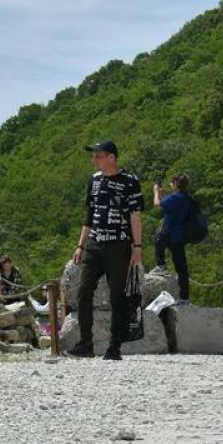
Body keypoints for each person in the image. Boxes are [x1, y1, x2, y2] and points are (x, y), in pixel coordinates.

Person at [67, 140, 144, 361]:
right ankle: (85, 343)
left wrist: (137, 247)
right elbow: (89, 216)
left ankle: (114, 347)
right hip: (94, 243)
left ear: (111, 157)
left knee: (117, 296)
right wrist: (80, 245)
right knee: (83, 292)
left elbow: (135, 216)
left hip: (119, 244)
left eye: (98, 156)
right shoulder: (93, 181)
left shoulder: (130, 182)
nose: (93, 160)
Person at [150, 173, 192, 305]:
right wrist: (162, 195)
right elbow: (167, 208)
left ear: (176, 184)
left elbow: (157, 205)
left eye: (172, 183)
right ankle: (184, 298)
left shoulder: (175, 197)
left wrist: (156, 192)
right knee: (182, 268)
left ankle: (161, 265)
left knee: (158, 237)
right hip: (180, 236)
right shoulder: (186, 198)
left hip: (169, 232)